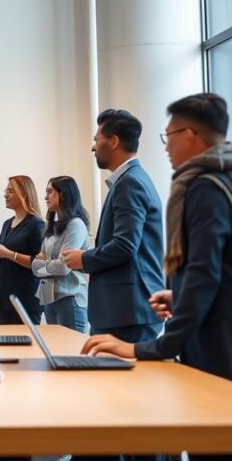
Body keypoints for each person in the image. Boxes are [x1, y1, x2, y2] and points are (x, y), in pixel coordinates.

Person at [84, 94, 232, 461]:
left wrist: (147, 349)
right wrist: (180, 294)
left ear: (189, 134)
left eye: (167, 136)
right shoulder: (229, 174)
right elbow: (219, 269)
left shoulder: (203, 185)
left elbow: (203, 277)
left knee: (231, 453)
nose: (166, 146)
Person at [61, 109, 166, 344]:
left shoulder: (130, 183)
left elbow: (125, 245)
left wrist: (85, 259)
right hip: (124, 310)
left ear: (114, 141)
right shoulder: (131, 180)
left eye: (96, 140)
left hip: (127, 312)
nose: (93, 147)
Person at [30, 176, 90, 332]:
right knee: (56, 351)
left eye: (49, 192)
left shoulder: (75, 225)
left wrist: (43, 263)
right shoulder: (53, 227)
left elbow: (64, 267)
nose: (45, 197)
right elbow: (34, 267)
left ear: (63, 194)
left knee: (72, 353)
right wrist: (43, 264)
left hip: (69, 298)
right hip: (49, 298)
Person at [0, 176, 46, 324]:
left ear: (24, 194)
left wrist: (7, 253)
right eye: (6, 191)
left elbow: (40, 264)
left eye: (10, 191)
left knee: (25, 345)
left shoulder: (36, 224)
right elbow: (0, 261)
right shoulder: (7, 223)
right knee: (6, 344)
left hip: (26, 298)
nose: (5, 195)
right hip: (5, 296)